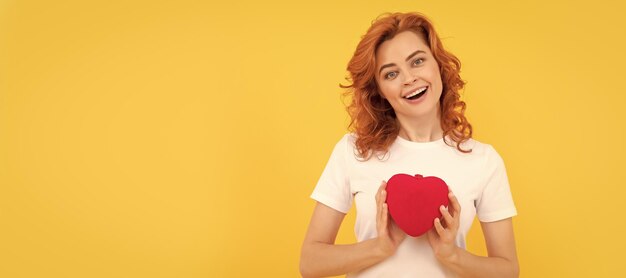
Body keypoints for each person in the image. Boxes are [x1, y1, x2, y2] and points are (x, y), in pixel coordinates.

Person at [299, 12, 519, 278]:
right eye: (391, 73)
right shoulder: (354, 151)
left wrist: (451, 255)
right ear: (379, 89)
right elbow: (310, 263)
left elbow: (508, 270)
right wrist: (381, 247)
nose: (409, 78)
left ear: (437, 64)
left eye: (417, 61)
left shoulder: (483, 160)